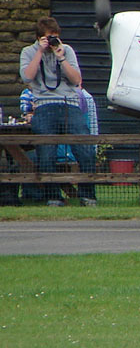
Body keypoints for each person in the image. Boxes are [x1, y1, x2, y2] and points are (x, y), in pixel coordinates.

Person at [19, 16, 97, 206]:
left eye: (55, 37)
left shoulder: (66, 50)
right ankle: (53, 196)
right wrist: (39, 51)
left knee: (85, 148)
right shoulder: (28, 52)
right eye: (48, 38)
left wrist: (61, 57)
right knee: (46, 151)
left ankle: (87, 195)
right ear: (39, 38)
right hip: (44, 105)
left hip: (69, 103)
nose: (53, 41)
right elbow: (27, 77)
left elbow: (76, 79)